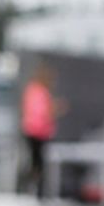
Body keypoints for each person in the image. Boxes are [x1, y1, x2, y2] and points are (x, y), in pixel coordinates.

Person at [20, 64, 64, 196]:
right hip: (37, 131)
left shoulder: (33, 90)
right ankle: (32, 190)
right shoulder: (39, 92)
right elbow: (42, 112)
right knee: (37, 163)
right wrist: (56, 108)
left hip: (35, 130)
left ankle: (32, 189)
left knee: (36, 162)